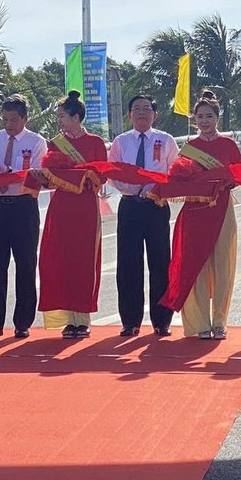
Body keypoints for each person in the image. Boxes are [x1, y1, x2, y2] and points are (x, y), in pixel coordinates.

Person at [160, 91, 241, 339]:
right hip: (195, 212)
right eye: (200, 116)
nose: (204, 121)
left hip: (222, 210)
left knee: (222, 265)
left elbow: (237, 176)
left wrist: (220, 182)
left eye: (209, 116)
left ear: (218, 117)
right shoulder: (189, 147)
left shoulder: (229, 145)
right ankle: (199, 324)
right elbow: (178, 178)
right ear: (194, 119)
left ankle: (219, 322)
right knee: (195, 266)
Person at [37, 91, 110, 338]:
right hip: (61, 207)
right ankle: (69, 318)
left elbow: (102, 175)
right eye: (58, 117)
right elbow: (49, 176)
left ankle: (83, 317)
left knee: (84, 260)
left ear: (77, 117)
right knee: (62, 259)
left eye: (63, 116)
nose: (59, 121)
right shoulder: (55, 143)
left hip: (86, 207)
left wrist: (84, 175)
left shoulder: (96, 143)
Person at [0, 94, 47, 340]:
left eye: (14, 120)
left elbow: (38, 173)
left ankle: (22, 322)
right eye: (5, 119)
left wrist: (12, 172)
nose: (9, 124)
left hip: (24, 205)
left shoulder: (36, 141)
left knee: (25, 265)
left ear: (25, 118)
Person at [109, 94, 179, 337]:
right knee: (129, 264)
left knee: (160, 262)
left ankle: (162, 321)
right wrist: (133, 187)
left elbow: (175, 173)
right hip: (129, 206)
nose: (141, 113)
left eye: (146, 109)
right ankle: (130, 321)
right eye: (136, 109)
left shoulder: (166, 140)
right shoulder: (121, 142)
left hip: (157, 206)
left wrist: (155, 189)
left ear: (154, 114)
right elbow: (113, 173)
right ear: (129, 115)